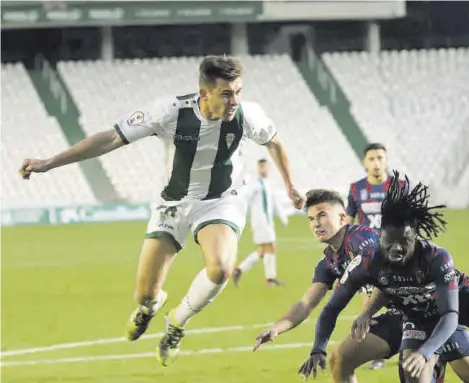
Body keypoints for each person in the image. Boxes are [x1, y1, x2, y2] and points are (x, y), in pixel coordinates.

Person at [19, 55, 305, 367]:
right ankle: (150, 306)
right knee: (144, 294)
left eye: (238, 91)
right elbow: (112, 138)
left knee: (221, 267)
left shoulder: (248, 115)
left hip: (220, 201)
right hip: (172, 204)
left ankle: (176, 324)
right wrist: (49, 162)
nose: (235, 100)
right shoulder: (169, 112)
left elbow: (274, 143)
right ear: (204, 93)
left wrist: (290, 185)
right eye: (227, 93)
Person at [295, 172, 469, 382]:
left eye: (322, 216)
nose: (316, 224)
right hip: (399, 316)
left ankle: (434, 358)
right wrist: (317, 346)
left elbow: (407, 283)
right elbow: (328, 306)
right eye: (311, 218)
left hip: (430, 315)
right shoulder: (345, 258)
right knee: (341, 359)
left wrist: (368, 311)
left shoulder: (378, 246)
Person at [346, 142, 390, 370]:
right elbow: (348, 224)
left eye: (380, 158)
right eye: (372, 159)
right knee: (369, 307)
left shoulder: (399, 186)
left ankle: (409, 347)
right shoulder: (356, 189)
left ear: (386, 160)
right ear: (365, 162)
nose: (376, 163)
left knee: (402, 306)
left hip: (396, 258)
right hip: (368, 258)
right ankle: (378, 353)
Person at [232, 159, 288, 286]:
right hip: (260, 222)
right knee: (271, 247)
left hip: (267, 222)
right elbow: (245, 197)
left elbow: (274, 203)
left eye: (265, 166)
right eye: (261, 166)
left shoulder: (266, 184)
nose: (263, 169)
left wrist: (283, 217)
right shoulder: (255, 184)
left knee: (263, 250)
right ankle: (270, 278)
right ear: (258, 168)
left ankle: (239, 270)